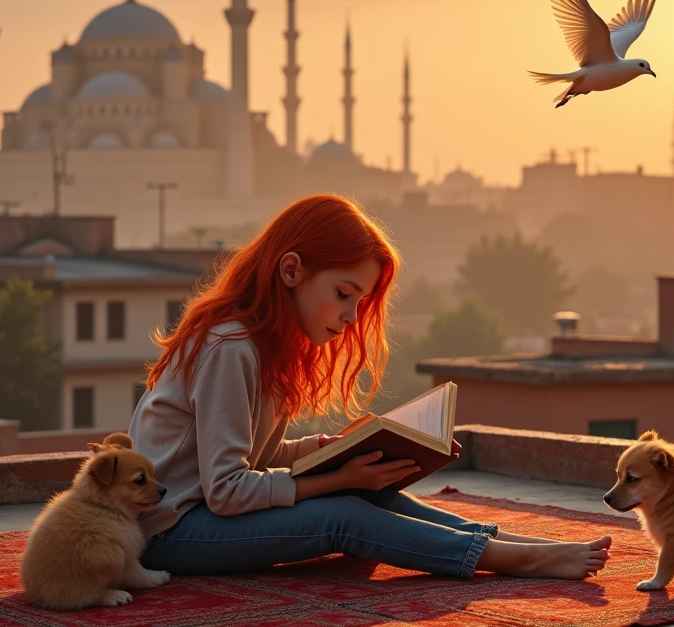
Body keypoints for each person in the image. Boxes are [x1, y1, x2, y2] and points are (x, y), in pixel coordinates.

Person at [130, 194, 611, 580]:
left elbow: (248, 456)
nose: (350, 316)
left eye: (359, 301)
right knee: (345, 514)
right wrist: (336, 479)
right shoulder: (229, 348)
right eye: (343, 294)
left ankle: (503, 541)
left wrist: (326, 450)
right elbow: (226, 491)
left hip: (205, 511)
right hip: (168, 530)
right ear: (291, 270)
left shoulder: (264, 346)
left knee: (369, 492)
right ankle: (512, 560)